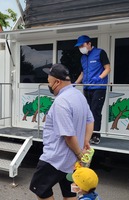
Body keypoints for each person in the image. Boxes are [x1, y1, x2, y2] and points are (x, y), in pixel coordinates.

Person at [30, 63, 95, 200]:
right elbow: (90, 120)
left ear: (57, 82)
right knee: (70, 192)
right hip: (72, 162)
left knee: (39, 188)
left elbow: (69, 135)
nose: (48, 85)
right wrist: (85, 141)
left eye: (49, 81)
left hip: (56, 158)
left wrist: (79, 154)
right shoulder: (79, 95)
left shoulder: (61, 102)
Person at [74, 35, 111, 145]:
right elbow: (82, 73)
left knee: (95, 111)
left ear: (89, 43)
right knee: (87, 112)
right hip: (87, 88)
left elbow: (108, 68)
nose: (81, 48)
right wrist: (75, 83)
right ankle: (88, 134)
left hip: (99, 87)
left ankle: (96, 135)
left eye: (82, 45)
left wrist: (99, 77)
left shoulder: (100, 53)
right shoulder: (83, 58)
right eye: (79, 46)